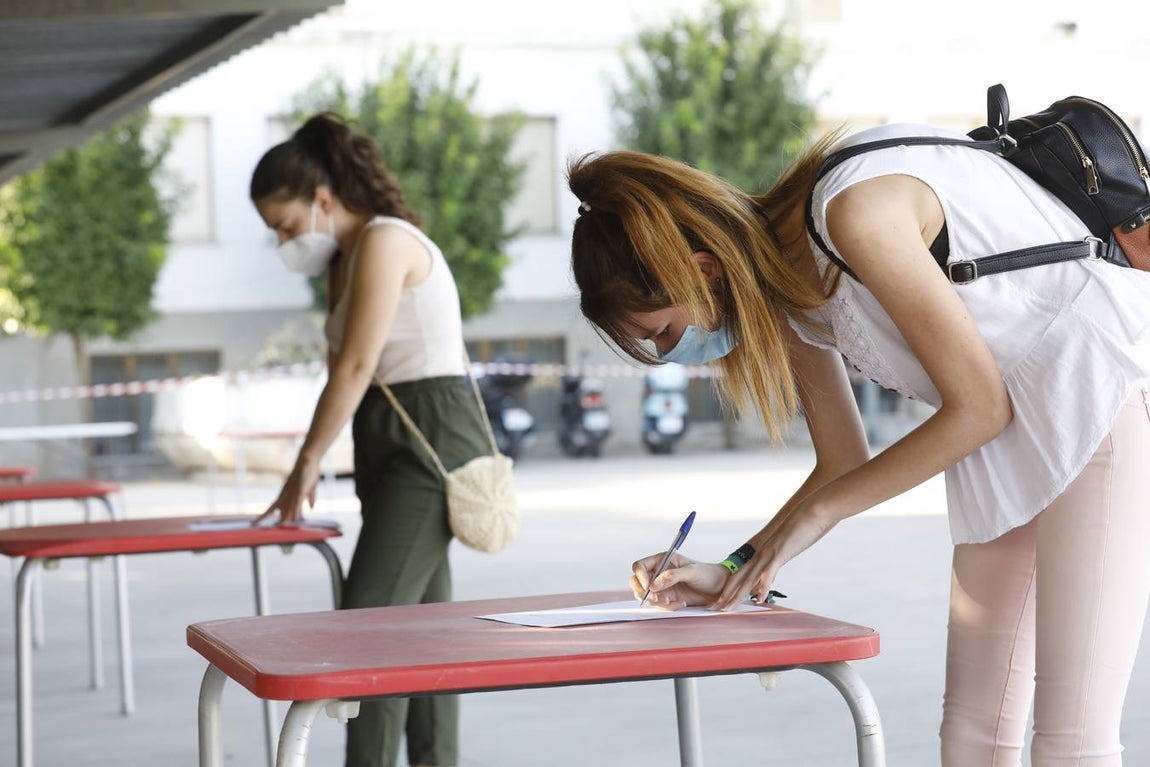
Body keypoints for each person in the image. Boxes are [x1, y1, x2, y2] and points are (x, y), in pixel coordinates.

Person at [567, 122, 1150, 766]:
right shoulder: (779, 286)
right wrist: (731, 569)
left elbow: (977, 408)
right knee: (972, 735)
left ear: (703, 272)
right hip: (1011, 424)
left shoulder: (853, 214)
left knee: (1071, 740)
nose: (671, 354)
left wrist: (821, 513)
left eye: (665, 333)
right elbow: (842, 462)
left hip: (1096, 387)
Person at [250, 113, 489, 767]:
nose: (282, 241)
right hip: (390, 438)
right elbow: (343, 373)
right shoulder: (346, 260)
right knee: (423, 635)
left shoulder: (385, 241)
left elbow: (356, 366)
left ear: (323, 199)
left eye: (286, 224)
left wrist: (306, 463)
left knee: (368, 633)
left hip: (428, 436)